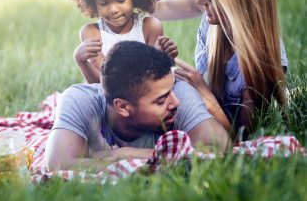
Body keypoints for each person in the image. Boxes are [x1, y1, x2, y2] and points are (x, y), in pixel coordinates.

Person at [152, 0, 288, 136]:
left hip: (216, 130)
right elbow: (157, 9)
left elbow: (239, 138)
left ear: (235, 3)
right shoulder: (215, 22)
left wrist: (202, 92)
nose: (200, 0)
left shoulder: (260, 65)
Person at [45, 41, 229, 171]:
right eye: (160, 100)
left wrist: (127, 154)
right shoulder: (80, 100)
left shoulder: (178, 92)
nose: (175, 103)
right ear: (123, 107)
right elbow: (58, 164)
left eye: (171, 90)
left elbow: (219, 147)